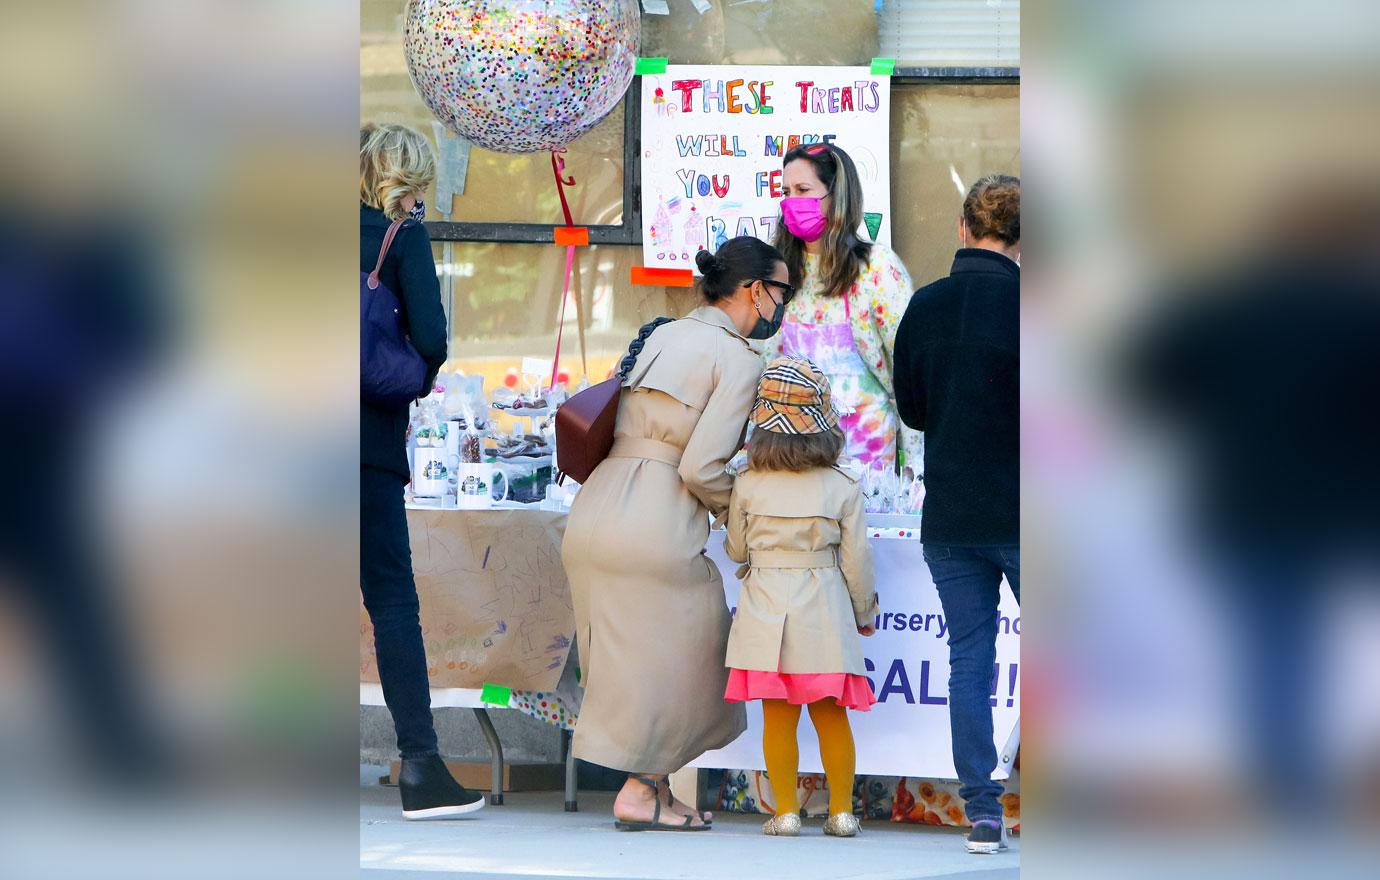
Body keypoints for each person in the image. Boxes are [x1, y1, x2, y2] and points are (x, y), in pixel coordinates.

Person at [562, 236, 791, 831]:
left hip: (597, 507)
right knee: (696, 647)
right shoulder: (740, 359)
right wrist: (739, 515)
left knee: (634, 659)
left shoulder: (661, 332)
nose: (782, 303)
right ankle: (641, 789)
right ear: (753, 291)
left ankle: (652, 791)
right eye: (782, 289)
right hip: (656, 516)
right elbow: (701, 467)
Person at [893, 174, 1020, 854]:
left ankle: (981, 810)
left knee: (969, 658)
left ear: (964, 229)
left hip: (949, 515)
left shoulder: (926, 305)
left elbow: (911, 409)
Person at [360, 123, 484, 818]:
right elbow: (434, 338)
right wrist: (408, 372)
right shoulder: (399, 235)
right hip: (365, 444)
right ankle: (421, 767)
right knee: (391, 601)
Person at [723, 356, 879, 838]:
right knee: (832, 716)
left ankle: (786, 812)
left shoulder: (747, 485)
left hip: (765, 610)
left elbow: (735, 549)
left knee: (777, 717)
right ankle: (840, 812)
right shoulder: (843, 487)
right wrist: (865, 613)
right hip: (825, 611)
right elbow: (857, 564)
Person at [770, 142, 918, 474]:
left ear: (837, 196)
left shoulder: (878, 269)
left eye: (804, 190)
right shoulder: (776, 270)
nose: (792, 201)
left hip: (865, 457)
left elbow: (910, 374)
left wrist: (914, 465)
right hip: (788, 453)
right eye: (786, 191)